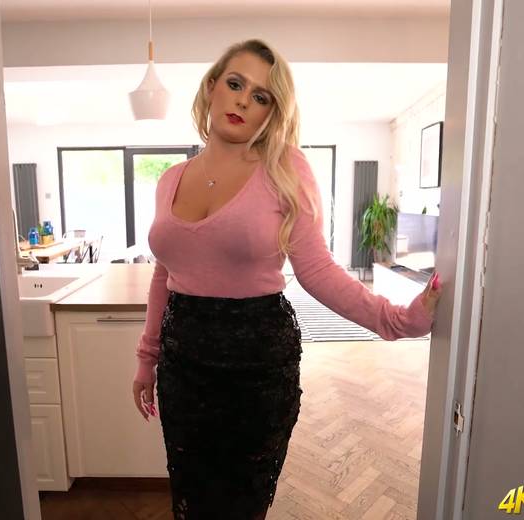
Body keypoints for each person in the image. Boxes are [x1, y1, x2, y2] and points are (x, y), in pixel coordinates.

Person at [131, 38, 443, 520]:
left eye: (260, 96)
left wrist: (397, 319)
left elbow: (316, 270)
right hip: (183, 368)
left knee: (241, 507)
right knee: (191, 501)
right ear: (211, 87)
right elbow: (164, 272)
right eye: (235, 84)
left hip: (258, 368)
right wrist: (146, 358)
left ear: (271, 112)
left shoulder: (285, 169)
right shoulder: (170, 179)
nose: (243, 101)